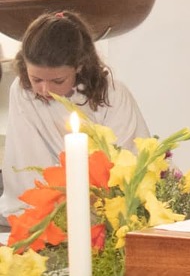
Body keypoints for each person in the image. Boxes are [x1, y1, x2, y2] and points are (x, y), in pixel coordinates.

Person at [1, 12, 150, 219]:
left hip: (107, 204)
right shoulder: (22, 91)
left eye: (58, 81)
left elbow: (127, 161)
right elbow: (25, 163)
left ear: (79, 66)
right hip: (50, 206)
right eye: (36, 79)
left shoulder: (113, 95)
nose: (45, 89)